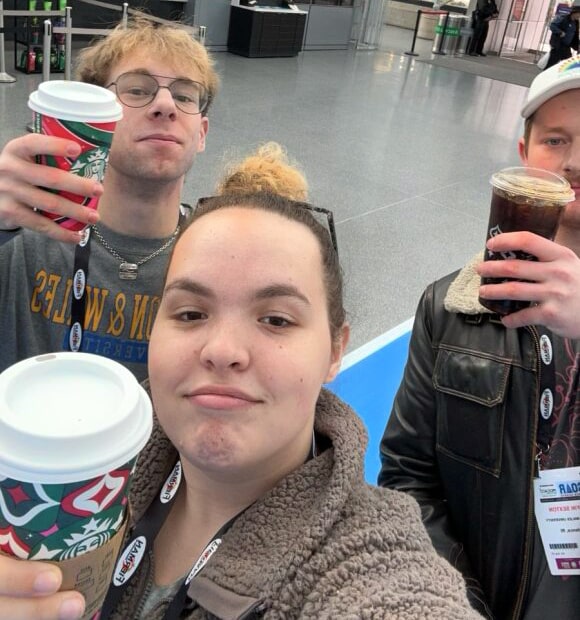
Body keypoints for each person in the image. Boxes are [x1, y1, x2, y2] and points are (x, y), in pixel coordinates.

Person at [0, 189, 484, 616]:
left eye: (275, 320)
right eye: (190, 313)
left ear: (335, 350)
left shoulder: (372, 564)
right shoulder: (84, 471)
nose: (222, 351)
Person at [379, 55, 580, 620]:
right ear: (523, 157)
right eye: (556, 140)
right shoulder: (450, 310)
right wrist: (457, 603)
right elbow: (408, 475)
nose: (575, 162)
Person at [0, 16, 218, 382]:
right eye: (136, 90)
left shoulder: (216, 261)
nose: (165, 106)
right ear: (97, 118)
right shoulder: (24, 235)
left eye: (184, 95)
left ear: (201, 134)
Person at [546, 1, 580, 70]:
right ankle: (543, 78)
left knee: (568, 65)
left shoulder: (575, 23)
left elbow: (574, 35)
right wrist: (560, 32)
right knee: (551, 66)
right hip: (558, 45)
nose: (579, 16)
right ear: (574, 13)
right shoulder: (563, 18)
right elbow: (552, 25)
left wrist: (577, 44)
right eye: (579, 14)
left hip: (566, 47)